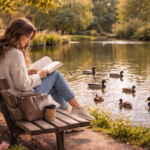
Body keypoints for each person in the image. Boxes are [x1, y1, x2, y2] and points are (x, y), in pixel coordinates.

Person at [0, 18, 94, 132]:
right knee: (55, 74)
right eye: (28, 36)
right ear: (17, 33)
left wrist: (25, 71)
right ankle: (78, 108)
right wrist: (39, 76)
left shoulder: (4, 50)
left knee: (54, 84)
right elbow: (23, 85)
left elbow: (8, 74)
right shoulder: (16, 53)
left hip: (9, 101)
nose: (29, 40)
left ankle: (68, 114)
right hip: (22, 102)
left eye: (30, 37)